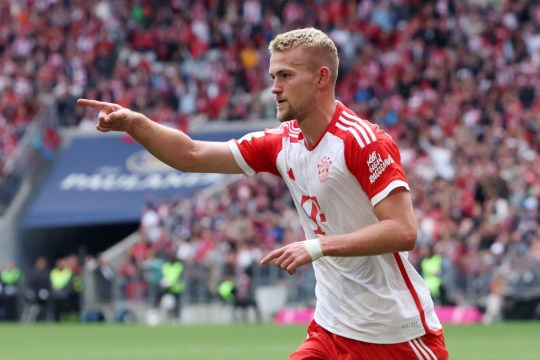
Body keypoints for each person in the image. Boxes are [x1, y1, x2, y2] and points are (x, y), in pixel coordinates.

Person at [78, 27, 449, 359]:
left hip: (397, 336)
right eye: (273, 76)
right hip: (332, 330)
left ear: (322, 78)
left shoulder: (364, 142)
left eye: (286, 75)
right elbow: (190, 155)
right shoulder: (280, 143)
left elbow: (403, 231)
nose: (274, 87)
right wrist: (135, 123)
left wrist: (316, 246)